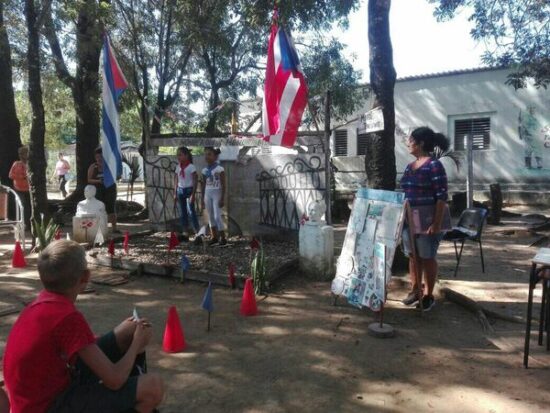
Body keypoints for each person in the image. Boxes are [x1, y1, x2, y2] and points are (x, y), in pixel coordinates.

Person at [3, 240, 164, 413]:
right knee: (153, 387)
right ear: (85, 277)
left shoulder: (41, 304)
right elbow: (114, 379)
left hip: (45, 391)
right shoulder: (67, 317)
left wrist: (131, 337)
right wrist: (136, 345)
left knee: (129, 331)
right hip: (49, 405)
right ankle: (135, 397)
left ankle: (129, 397)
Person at [400, 127, 449, 311]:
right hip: (409, 222)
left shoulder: (434, 165)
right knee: (413, 256)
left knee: (427, 257)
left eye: (411, 140)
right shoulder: (409, 166)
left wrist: (436, 224)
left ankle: (428, 295)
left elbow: (441, 197)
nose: (408, 143)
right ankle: (415, 290)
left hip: (428, 222)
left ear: (420, 143)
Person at [88, 147, 118, 233]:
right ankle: (99, 228)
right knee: (99, 208)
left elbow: (116, 176)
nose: (99, 159)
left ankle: (114, 228)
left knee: (111, 208)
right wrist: (99, 181)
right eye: (97, 157)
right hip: (98, 189)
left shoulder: (110, 165)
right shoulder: (93, 167)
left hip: (110, 189)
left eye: (101, 157)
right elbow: (89, 180)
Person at [173, 146, 200, 243]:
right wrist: (175, 192)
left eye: (180, 155)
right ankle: (185, 233)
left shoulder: (191, 167)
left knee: (191, 212)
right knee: (182, 213)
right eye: (177, 155)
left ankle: (198, 233)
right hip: (180, 190)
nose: (178, 157)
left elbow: (195, 180)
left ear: (186, 155)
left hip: (189, 191)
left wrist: (193, 194)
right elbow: (176, 179)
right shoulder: (178, 167)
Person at [201, 147, 227, 246]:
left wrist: (222, 198)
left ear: (215, 157)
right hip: (207, 194)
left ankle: (223, 238)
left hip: (217, 193)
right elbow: (203, 185)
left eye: (209, 154)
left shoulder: (220, 169)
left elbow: (224, 184)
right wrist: (202, 199)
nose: (207, 156)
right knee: (211, 216)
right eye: (206, 154)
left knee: (217, 216)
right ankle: (214, 237)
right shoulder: (204, 170)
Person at [8, 146, 31, 231]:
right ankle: (22, 224)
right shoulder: (16, 164)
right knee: (22, 205)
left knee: (29, 207)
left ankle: (29, 224)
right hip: (18, 188)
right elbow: (10, 175)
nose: (21, 155)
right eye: (20, 154)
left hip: (29, 189)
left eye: (24, 153)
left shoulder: (30, 164)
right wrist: (21, 177)